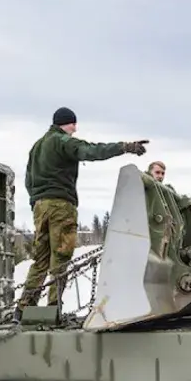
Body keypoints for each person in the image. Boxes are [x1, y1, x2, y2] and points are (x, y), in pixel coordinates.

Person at [16, 106, 148, 318]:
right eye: (72, 124)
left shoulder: (37, 147)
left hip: (40, 206)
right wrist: (125, 147)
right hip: (61, 205)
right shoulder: (63, 141)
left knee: (40, 259)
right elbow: (91, 151)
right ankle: (53, 309)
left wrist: (37, 200)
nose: (75, 129)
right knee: (61, 256)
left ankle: (23, 309)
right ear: (64, 123)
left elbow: (28, 180)